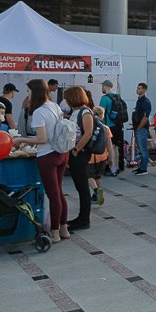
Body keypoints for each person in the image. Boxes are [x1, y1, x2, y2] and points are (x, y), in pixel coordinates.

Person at [12, 80, 69, 242]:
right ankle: (64, 229)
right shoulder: (54, 106)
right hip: (62, 153)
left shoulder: (38, 112)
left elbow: (42, 138)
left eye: (28, 91)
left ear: (35, 92)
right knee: (59, 192)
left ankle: (55, 232)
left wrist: (21, 140)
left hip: (47, 156)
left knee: (53, 195)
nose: (27, 95)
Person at [66, 88, 96, 231]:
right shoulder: (76, 112)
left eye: (67, 98)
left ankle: (84, 220)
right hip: (76, 152)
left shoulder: (85, 112)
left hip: (81, 153)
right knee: (79, 186)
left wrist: (77, 149)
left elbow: (88, 133)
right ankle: (81, 217)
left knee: (83, 186)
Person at [99, 80, 126, 176]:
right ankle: (117, 167)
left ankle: (112, 168)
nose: (101, 88)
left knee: (111, 147)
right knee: (116, 147)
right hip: (118, 125)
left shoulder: (104, 98)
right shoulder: (117, 97)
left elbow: (100, 113)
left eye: (102, 86)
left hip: (109, 126)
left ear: (105, 86)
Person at [132, 83, 153, 175]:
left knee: (143, 148)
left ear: (144, 90)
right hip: (137, 127)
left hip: (141, 128)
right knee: (140, 149)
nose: (137, 90)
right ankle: (141, 166)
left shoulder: (145, 102)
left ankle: (144, 168)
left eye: (139, 88)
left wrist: (139, 127)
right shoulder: (139, 101)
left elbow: (145, 117)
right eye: (137, 88)